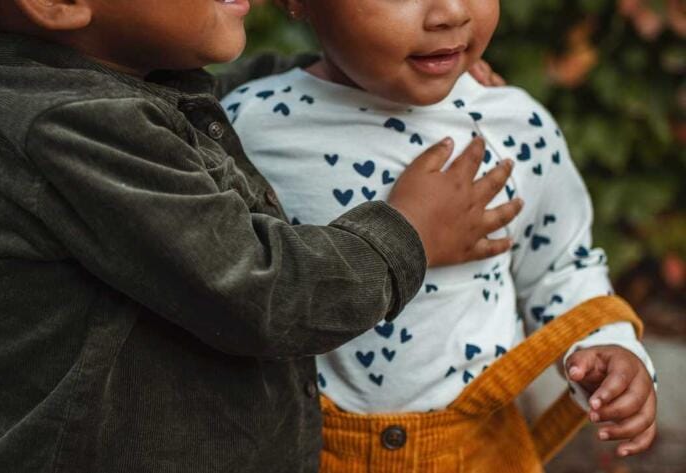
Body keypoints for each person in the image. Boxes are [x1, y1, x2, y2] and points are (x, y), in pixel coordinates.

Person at [0, 0, 521, 472]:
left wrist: (350, 71)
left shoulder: (113, 85)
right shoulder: (76, 131)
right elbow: (261, 291)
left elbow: (213, 97)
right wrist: (408, 231)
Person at [221, 0, 658, 470]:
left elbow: (560, 268)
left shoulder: (513, 129)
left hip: (477, 451)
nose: (449, 12)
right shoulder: (248, 127)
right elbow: (230, 283)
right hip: (294, 447)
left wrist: (606, 345)